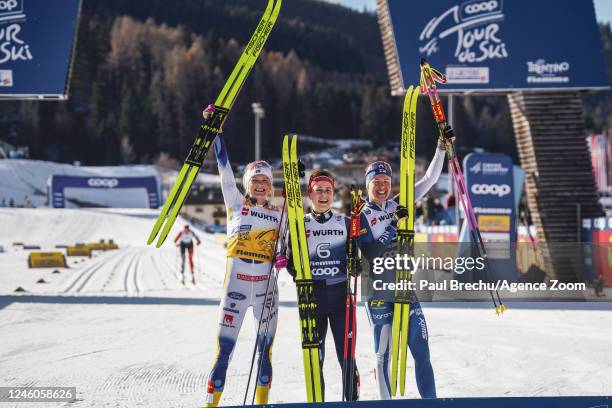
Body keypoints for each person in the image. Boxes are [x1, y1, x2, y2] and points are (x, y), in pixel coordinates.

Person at [356, 128, 453, 399]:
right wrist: (393, 225)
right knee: (382, 358)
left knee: (422, 353)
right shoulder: (362, 217)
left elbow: (431, 178)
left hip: (404, 290)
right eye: (377, 181)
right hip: (377, 294)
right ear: (368, 185)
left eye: (386, 180)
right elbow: (371, 253)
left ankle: (430, 403)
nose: (382, 185)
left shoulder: (401, 203)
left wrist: (441, 147)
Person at [205, 109, 281, 407]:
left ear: (270, 186)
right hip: (235, 287)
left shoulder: (279, 215)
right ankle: (211, 404)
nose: (260, 185)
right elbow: (224, 171)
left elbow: (289, 246)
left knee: (265, 353)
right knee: (224, 353)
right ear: (247, 184)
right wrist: (216, 132)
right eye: (255, 180)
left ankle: (262, 404)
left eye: (265, 181)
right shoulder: (236, 204)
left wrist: (285, 258)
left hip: (266, 291)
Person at [281, 170, 360, 401]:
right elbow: (290, 260)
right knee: (316, 357)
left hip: (341, 297)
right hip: (312, 297)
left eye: (328, 190)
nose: (323, 195)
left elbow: (356, 257)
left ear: (333, 193)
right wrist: (296, 270)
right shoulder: (299, 224)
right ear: (309, 194)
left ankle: (351, 400)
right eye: (319, 190)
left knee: (347, 356)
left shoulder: (345, 223)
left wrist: (356, 263)